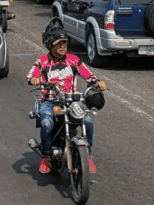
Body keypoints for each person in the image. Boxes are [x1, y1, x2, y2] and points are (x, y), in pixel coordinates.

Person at [27, 24, 107, 175]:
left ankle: (88, 156)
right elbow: (30, 76)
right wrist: (34, 80)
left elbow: (87, 74)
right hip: (49, 101)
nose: (63, 46)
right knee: (46, 123)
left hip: (70, 101)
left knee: (88, 121)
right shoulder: (42, 61)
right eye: (59, 44)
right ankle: (46, 157)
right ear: (51, 45)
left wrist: (97, 82)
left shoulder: (73, 60)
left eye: (65, 43)